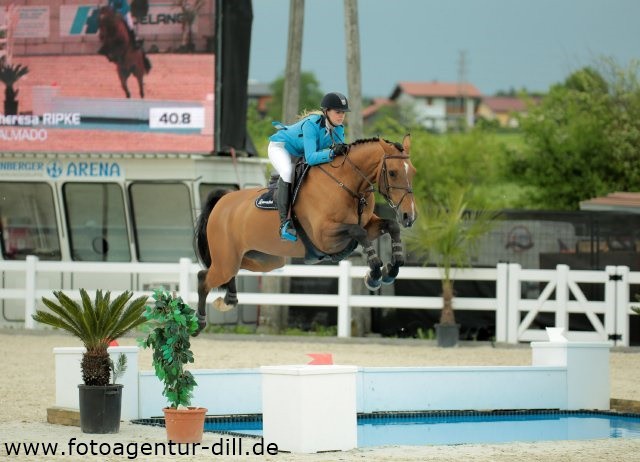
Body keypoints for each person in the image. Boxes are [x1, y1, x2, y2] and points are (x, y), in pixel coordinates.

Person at [268, 91, 350, 242]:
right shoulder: (311, 124)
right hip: (281, 148)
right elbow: (312, 158)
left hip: (301, 153)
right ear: (326, 112)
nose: (341, 116)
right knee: (287, 171)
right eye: (338, 112)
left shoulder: (339, 129)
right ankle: (285, 223)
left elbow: (339, 157)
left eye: (343, 113)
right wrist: (332, 153)